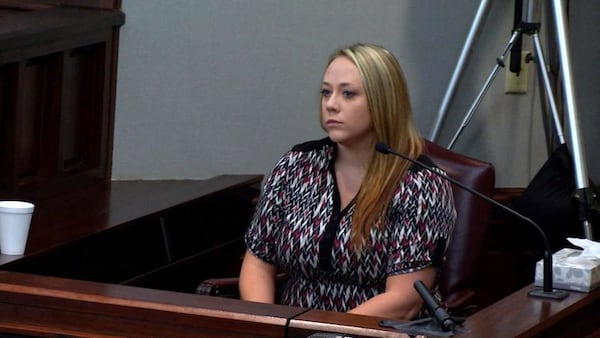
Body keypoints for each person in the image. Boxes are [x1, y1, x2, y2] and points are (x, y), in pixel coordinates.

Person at [239, 43, 456, 320]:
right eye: (326, 92)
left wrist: (323, 334)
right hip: (291, 327)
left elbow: (404, 301)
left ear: (383, 101)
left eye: (348, 94)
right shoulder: (296, 165)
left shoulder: (420, 184)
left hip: (374, 332)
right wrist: (267, 324)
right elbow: (258, 261)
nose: (331, 104)